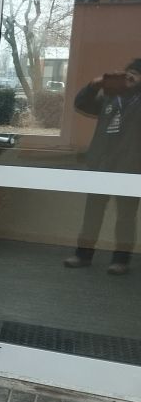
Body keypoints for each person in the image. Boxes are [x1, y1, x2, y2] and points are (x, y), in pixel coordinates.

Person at [63, 59, 141, 276]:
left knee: (125, 216)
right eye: (128, 72)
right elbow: (81, 104)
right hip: (102, 164)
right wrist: (94, 85)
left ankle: (120, 260)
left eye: (136, 74)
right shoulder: (110, 96)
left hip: (130, 167)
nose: (130, 76)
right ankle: (83, 255)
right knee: (92, 213)